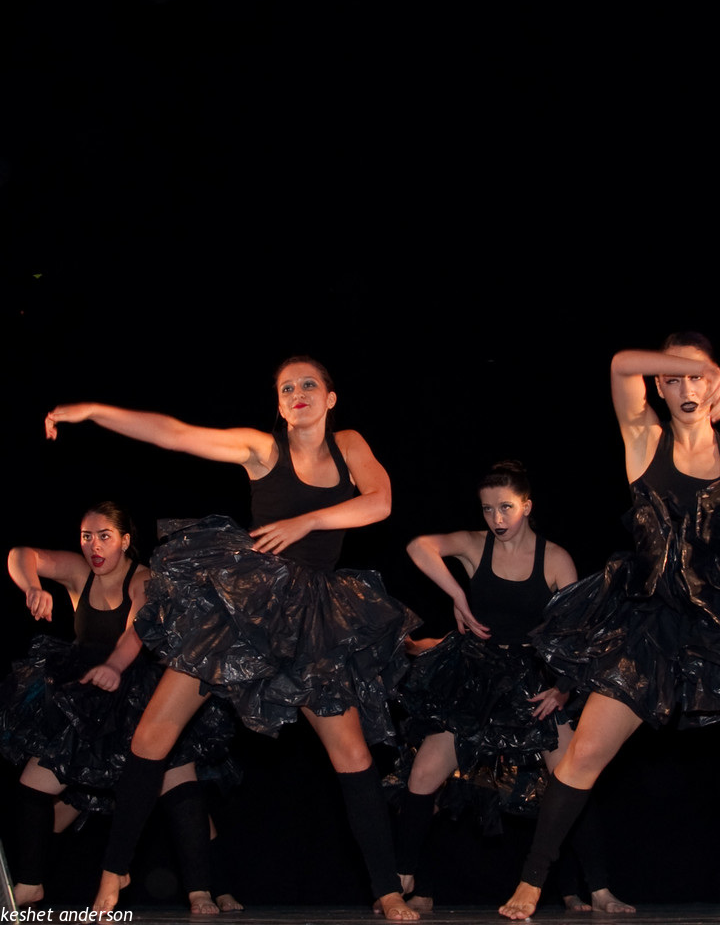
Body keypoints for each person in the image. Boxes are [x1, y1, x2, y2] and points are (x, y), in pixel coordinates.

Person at [44, 357, 421, 920]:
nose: (297, 393)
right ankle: (113, 872)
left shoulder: (349, 445)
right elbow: (174, 433)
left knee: (352, 753)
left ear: (330, 399)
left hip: (312, 617)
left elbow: (381, 501)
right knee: (152, 734)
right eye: (286, 388)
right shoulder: (262, 449)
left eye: (308, 385)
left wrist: (306, 522)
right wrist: (96, 410)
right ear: (279, 405)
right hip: (244, 607)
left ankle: (386, 889)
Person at [498, 334, 720, 919]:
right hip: (651, 622)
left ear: (716, 385)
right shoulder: (644, 438)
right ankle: (531, 883)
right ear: (660, 386)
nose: (687, 386)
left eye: (698, 376)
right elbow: (620, 363)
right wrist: (694, 363)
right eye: (675, 377)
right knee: (583, 753)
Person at [396, 461, 632, 913]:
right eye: (487, 509)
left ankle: (600, 889)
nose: (496, 518)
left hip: (531, 680)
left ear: (527, 505)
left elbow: (576, 633)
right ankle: (403, 877)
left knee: (572, 774)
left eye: (505, 507)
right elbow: (418, 546)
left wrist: (563, 689)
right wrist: (457, 596)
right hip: (476, 675)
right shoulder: (474, 545)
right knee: (423, 774)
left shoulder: (555, 558)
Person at [3, 502, 236, 913]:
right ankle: (30, 883)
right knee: (33, 787)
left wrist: (114, 665)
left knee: (178, 785)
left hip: (140, 692)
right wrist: (32, 587)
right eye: (86, 536)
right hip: (87, 700)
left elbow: (138, 626)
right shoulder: (79, 573)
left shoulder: (142, 578)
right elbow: (21, 554)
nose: (93, 546)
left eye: (104, 537)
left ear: (125, 541)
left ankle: (202, 889)